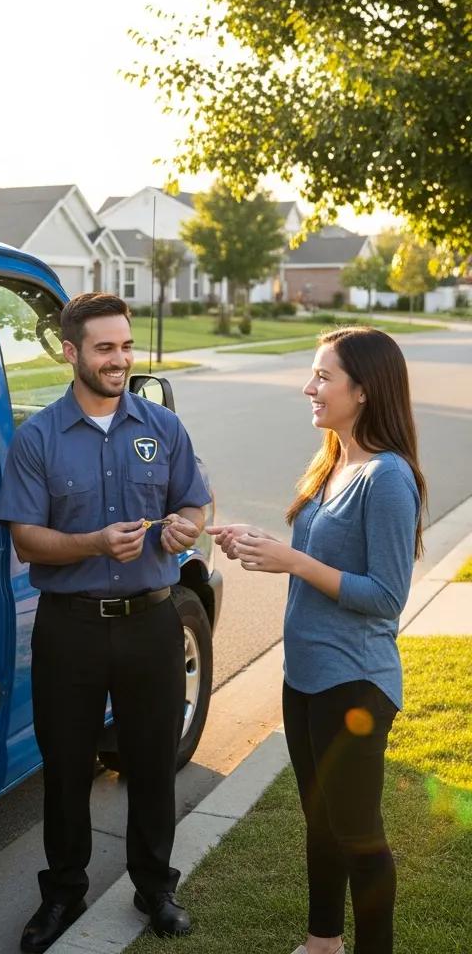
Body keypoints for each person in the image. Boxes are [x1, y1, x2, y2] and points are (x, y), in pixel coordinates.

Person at [0, 292, 211, 952]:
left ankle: (155, 886)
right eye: (104, 349)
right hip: (72, 629)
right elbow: (28, 540)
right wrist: (91, 543)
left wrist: (182, 532)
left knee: (151, 764)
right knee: (65, 770)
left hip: (152, 625)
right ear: (71, 353)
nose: (120, 360)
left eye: (125, 347)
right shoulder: (36, 440)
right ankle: (62, 894)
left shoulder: (163, 429)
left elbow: (196, 505)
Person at [208, 327, 426, 954]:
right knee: (321, 823)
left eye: (324, 377)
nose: (310, 386)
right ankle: (322, 942)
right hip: (304, 676)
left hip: (353, 682)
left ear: (363, 391)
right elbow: (316, 553)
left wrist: (293, 563)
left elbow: (385, 596)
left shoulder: (386, 478)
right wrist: (260, 543)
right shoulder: (334, 461)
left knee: (359, 833)